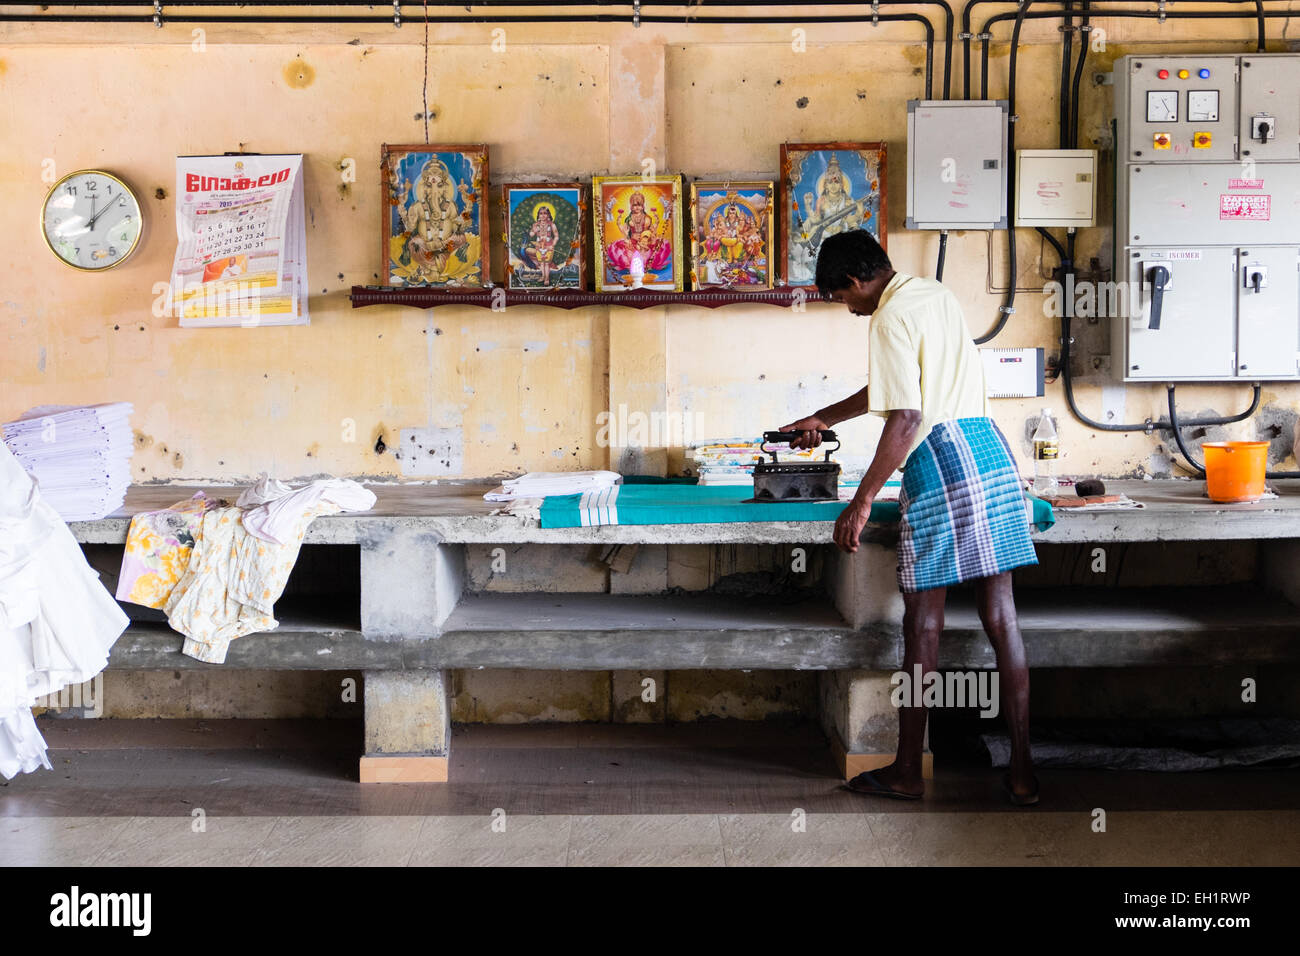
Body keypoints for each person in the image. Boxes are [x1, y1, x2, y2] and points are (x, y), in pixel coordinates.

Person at [781, 229, 1040, 806]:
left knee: (923, 627)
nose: (848, 310)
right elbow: (893, 387)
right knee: (1004, 618)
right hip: (990, 453)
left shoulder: (887, 318)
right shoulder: (931, 293)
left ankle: (904, 772)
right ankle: (1024, 774)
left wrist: (862, 498)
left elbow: (905, 419)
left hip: (941, 463)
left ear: (854, 282)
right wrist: (826, 417)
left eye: (842, 298)